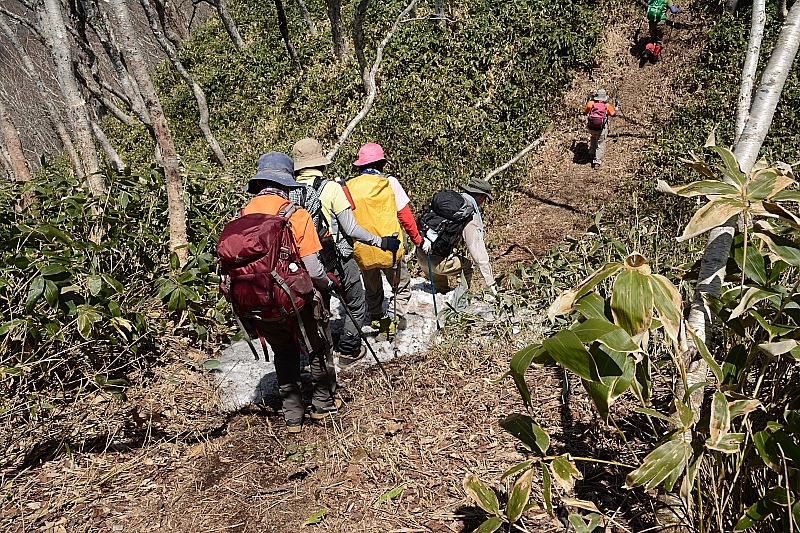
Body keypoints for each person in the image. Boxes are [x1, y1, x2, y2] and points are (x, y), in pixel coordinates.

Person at [240, 152, 340, 433]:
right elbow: (314, 269)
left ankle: (293, 416)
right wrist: (328, 285)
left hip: (259, 301)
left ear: (259, 184)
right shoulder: (296, 215)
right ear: (286, 185)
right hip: (295, 299)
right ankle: (323, 405)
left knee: (284, 352)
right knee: (317, 347)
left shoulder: (243, 216)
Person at [291, 138, 399, 365]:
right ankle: (349, 351)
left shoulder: (290, 191)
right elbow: (351, 228)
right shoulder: (332, 188)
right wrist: (381, 242)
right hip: (337, 259)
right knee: (356, 303)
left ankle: (322, 353)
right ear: (320, 161)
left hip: (304, 262)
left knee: (319, 307)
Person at [348, 143, 422, 336]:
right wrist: (417, 239)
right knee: (402, 286)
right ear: (381, 163)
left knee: (372, 289)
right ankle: (394, 320)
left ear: (360, 166)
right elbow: (405, 216)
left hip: (363, 249)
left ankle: (377, 319)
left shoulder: (349, 187)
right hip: (390, 248)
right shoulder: (390, 182)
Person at [417, 178, 497, 307]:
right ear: (482, 197)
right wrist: (491, 283)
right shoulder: (467, 214)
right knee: (467, 267)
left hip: (421, 257)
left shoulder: (448, 203)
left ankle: (441, 294)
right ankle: (459, 307)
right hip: (438, 264)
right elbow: (478, 255)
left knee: (441, 292)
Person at [583, 89, 616, 170]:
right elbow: (614, 114)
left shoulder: (591, 103)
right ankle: (597, 162)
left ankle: (591, 154)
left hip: (591, 127)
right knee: (600, 143)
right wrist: (617, 107)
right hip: (601, 128)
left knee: (593, 138)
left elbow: (585, 112)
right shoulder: (606, 105)